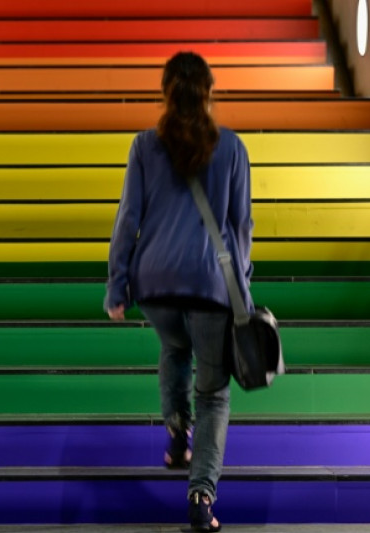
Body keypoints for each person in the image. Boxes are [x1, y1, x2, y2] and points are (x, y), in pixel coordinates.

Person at [104, 51, 253, 533]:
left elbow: (128, 218)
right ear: (208, 93)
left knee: (173, 346)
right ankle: (201, 494)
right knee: (213, 394)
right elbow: (240, 227)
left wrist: (117, 284)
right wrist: (242, 294)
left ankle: (174, 432)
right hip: (210, 284)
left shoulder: (144, 146)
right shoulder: (231, 148)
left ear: (166, 92)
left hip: (156, 283)